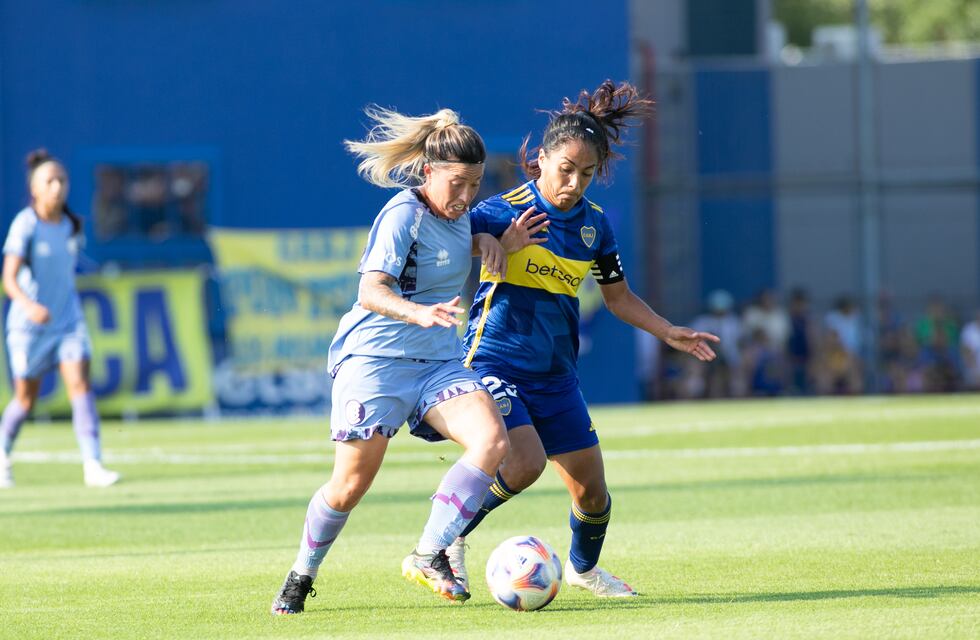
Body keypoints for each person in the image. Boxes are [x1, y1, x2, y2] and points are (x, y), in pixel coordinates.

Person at [448, 81, 720, 597]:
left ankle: (583, 570)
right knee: (523, 463)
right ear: (542, 160)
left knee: (592, 493)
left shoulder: (595, 227)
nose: (574, 183)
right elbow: (444, 247)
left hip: (556, 374)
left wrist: (668, 331)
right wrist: (487, 240)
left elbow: (618, 298)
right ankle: (447, 539)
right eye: (566, 169)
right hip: (495, 362)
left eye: (587, 173)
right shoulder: (503, 210)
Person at [270, 106, 544, 615]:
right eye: (457, 183)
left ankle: (429, 552)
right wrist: (418, 312)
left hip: (437, 362)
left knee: (491, 441)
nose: (466, 196)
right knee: (349, 486)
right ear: (428, 171)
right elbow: (371, 290)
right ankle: (301, 573)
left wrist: (488, 241)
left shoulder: (459, 218)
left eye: (475, 184)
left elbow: (446, 250)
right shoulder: (404, 213)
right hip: (375, 361)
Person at [0, 150, 120, 489]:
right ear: (35, 188)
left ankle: (93, 464)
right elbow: (9, 278)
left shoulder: (71, 226)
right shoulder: (26, 224)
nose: (57, 187)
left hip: (68, 322)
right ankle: (2, 453)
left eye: (62, 180)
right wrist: (29, 306)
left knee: (80, 386)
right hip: (29, 328)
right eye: (49, 181)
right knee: (26, 400)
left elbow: (68, 270)